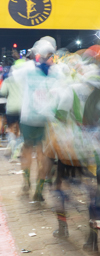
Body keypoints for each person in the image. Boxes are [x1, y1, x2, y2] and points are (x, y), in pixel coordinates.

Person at [16, 38, 57, 201]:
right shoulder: (56, 71)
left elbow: (15, 77)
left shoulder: (27, 69)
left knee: (26, 149)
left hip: (28, 118)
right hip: (46, 119)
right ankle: (39, 190)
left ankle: (26, 182)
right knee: (43, 154)